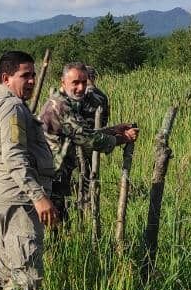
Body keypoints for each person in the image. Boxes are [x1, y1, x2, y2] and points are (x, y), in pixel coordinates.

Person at [0, 51, 57, 290]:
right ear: (6, 77)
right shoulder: (12, 107)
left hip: (2, 193)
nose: (32, 81)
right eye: (25, 76)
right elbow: (14, 156)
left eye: (33, 75)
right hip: (17, 197)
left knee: (9, 264)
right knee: (26, 268)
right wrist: (39, 197)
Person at [39, 62, 139, 222]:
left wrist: (114, 129)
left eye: (84, 82)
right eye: (75, 83)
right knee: (53, 224)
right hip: (49, 175)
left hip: (57, 173)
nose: (80, 88)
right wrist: (121, 138)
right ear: (63, 82)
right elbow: (86, 138)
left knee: (60, 220)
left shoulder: (68, 103)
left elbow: (83, 132)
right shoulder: (60, 107)